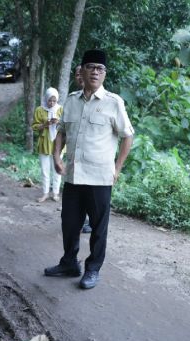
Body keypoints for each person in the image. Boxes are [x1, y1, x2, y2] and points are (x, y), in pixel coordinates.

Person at [44, 50, 134, 289]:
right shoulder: (72, 101)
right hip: (73, 175)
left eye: (100, 69)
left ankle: (92, 269)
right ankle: (69, 263)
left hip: (100, 178)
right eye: (91, 67)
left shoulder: (113, 103)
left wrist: (117, 168)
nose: (95, 71)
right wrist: (56, 155)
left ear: (104, 74)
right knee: (69, 223)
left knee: (98, 228)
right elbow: (61, 131)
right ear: (82, 70)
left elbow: (128, 136)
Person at [31, 87, 63, 202]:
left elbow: (67, 127)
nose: (52, 103)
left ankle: (55, 193)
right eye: (50, 100)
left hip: (58, 145)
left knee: (57, 170)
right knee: (45, 170)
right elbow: (34, 127)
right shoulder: (40, 110)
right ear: (46, 99)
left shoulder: (60, 110)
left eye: (54, 101)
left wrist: (58, 121)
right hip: (44, 143)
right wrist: (45, 124)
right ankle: (45, 193)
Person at [74, 65, 92, 234]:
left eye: (82, 74)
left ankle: (89, 220)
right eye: (77, 75)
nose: (79, 77)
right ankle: (81, 220)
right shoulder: (73, 100)